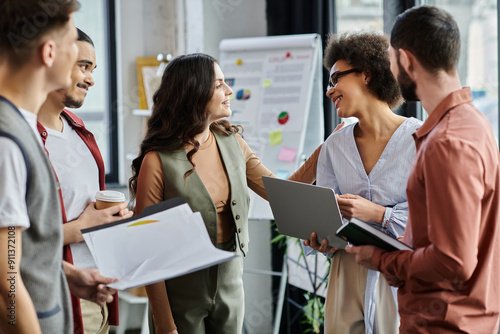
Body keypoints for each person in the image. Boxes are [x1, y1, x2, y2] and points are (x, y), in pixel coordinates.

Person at [128, 53, 318, 334]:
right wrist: (165, 324)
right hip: (181, 288)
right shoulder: (157, 161)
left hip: (231, 281)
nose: (229, 91)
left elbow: (280, 193)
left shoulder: (233, 143)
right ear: (194, 92)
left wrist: (325, 151)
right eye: (219, 85)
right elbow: (149, 251)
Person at [346, 5, 500, 333]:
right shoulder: (473, 123)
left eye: (390, 58)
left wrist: (382, 260)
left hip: (442, 324)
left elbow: (454, 261)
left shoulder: (447, 142)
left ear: (406, 60)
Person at [0, 1, 117, 333]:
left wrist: (68, 274)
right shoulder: (8, 139)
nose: (89, 76)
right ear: (50, 53)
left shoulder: (17, 127)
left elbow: (19, 254)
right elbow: (7, 279)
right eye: (72, 47)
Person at [302, 32, 422, 334]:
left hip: (398, 274)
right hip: (346, 272)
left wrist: (380, 214)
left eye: (335, 79)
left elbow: (435, 221)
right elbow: (330, 217)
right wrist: (324, 241)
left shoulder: (421, 141)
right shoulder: (334, 146)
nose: (330, 91)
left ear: (366, 74)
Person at [37, 28, 132, 333]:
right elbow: (11, 242)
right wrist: (79, 229)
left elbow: (90, 208)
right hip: (57, 297)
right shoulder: (19, 139)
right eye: (83, 66)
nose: (91, 79)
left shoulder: (78, 128)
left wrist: (112, 219)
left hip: (97, 289)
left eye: (92, 69)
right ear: (51, 58)